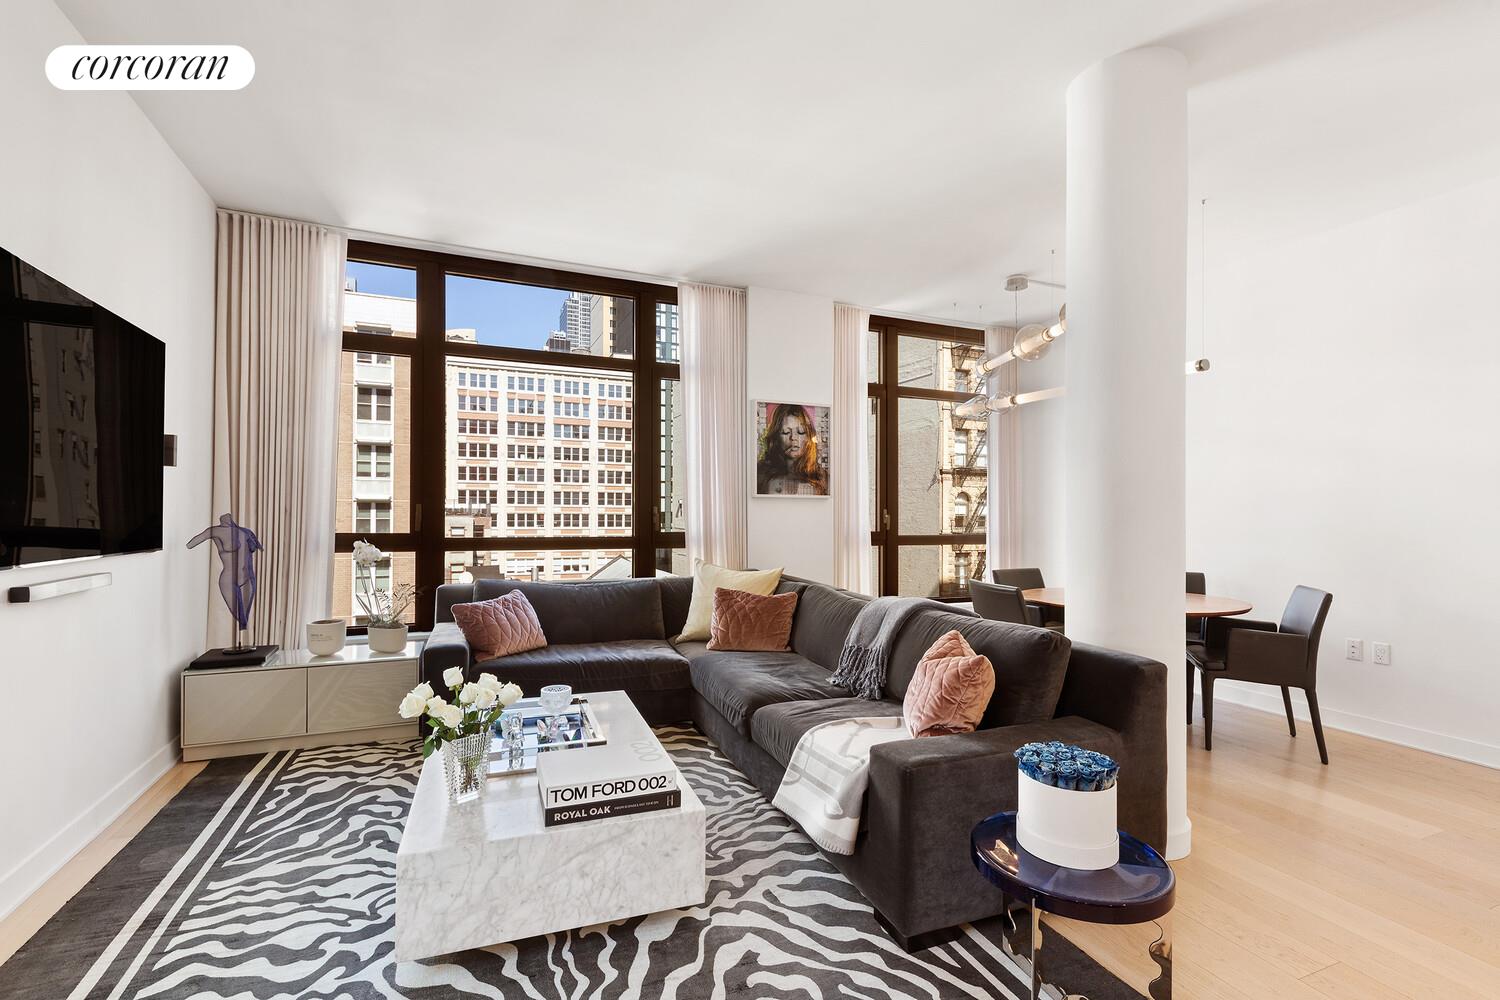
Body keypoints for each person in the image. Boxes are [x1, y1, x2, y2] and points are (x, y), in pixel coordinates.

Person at [187, 513, 262, 645]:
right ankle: (237, 643)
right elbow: (191, 544)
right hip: (228, 580)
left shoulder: (245, 532)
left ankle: (242, 643)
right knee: (239, 616)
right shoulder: (215, 531)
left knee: (244, 618)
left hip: (248, 578)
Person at [757, 404, 828, 496]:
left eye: (801, 431)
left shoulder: (823, 477)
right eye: (786, 432)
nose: (793, 437)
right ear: (776, 436)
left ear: (808, 436)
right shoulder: (760, 474)